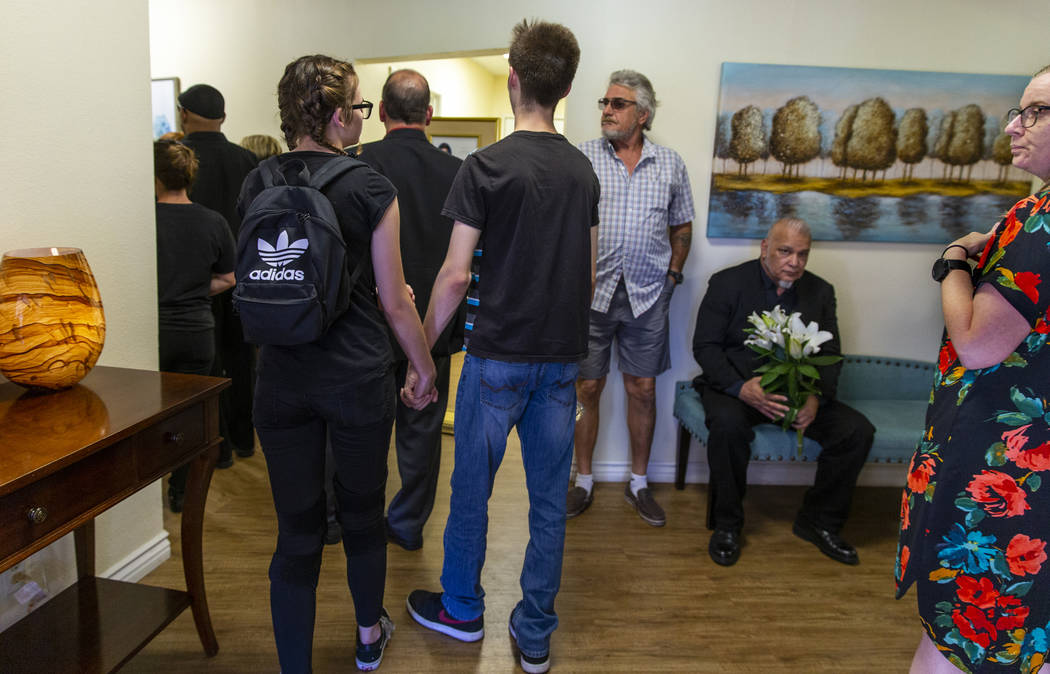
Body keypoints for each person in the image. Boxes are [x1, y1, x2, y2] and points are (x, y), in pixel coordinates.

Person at [403, 20, 598, 674]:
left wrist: (421, 353)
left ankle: (461, 609)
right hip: (560, 361)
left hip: (494, 360)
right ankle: (535, 632)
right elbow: (590, 275)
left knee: (471, 491)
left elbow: (455, 275)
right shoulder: (582, 171)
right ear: (566, 87)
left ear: (514, 80)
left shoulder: (485, 166)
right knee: (548, 503)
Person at [236, 54, 437, 673]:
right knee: (361, 512)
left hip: (280, 380)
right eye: (355, 105)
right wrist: (423, 367)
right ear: (333, 114)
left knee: (295, 531)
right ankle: (368, 638)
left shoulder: (256, 181)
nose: (359, 117)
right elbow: (395, 301)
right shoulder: (372, 187)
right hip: (355, 378)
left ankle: (294, 666)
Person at [898, 66, 1050, 674]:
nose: (1014, 125)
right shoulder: (1031, 210)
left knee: (972, 631)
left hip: (1009, 470)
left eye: (1035, 111)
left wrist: (954, 260)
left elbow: (979, 345)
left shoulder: (1040, 226)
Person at [692, 218, 874, 567]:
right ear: (765, 248)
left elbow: (830, 356)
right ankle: (727, 525)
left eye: (803, 254)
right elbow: (706, 347)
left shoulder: (821, 291)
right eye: (785, 251)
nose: (795, 262)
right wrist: (740, 387)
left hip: (796, 392)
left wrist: (816, 398)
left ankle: (818, 522)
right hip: (735, 388)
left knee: (856, 431)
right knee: (727, 429)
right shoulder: (728, 283)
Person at [568, 69, 694, 527]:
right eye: (604, 102)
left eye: (617, 104)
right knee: (586, 387)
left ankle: (639, 482)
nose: (606, 110)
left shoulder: (670, 164)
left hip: (647, 296)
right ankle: (583, 480)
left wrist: (673, 276)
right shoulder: (582, 157)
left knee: (642, 389)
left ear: (642, 114)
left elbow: (681, 226)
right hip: (591, 295)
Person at [357, 69, 465, 551]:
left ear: (380, 112)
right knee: (421, 433)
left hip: (368, 325)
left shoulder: (356, 164)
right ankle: (406, 525)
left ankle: (354, 520)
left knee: (362, 431)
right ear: (429, 114)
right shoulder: (458, 171)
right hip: (434, 327)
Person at [153, 139, 236, 513]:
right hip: (197, 331)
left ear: (155, 177)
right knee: (188, 416)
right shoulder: (212, 220)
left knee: (151, 413)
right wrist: (192, 287)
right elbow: (229, 278)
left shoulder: (143, 221)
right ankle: (181, 489)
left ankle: (146, 492)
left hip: (154, 332)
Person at [179, 83, 259, 467]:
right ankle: (245, 437)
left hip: (198, 282)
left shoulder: (178, 162)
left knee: (206, 370)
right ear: (223, 118)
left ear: (183, 115)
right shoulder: (246, 160)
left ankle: (218, 445)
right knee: (242, 360)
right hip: (245, 276)